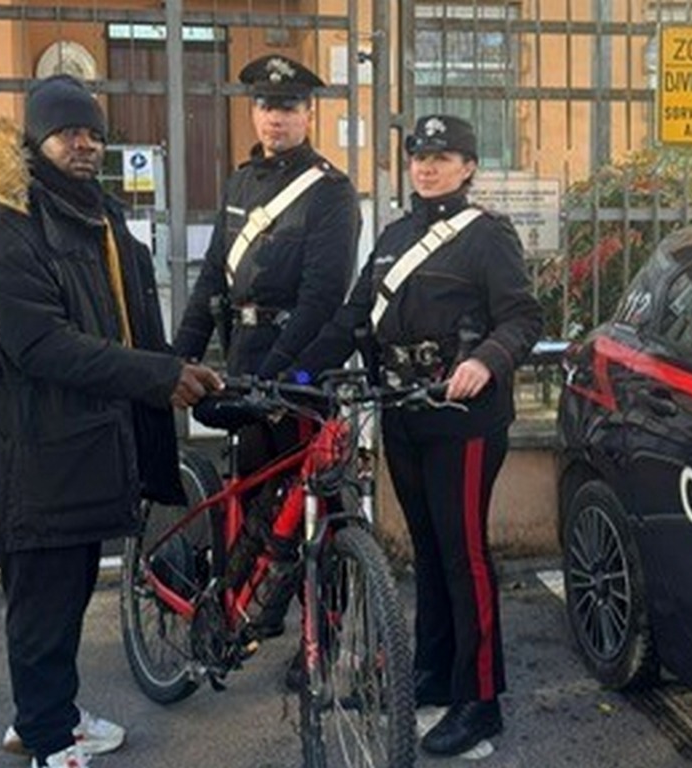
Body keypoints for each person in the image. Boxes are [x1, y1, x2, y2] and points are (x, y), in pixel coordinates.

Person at [0, 74, 221, 768]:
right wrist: (159, 377)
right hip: (30, 454)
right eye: (69, 131)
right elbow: (41, 345)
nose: (85, 143)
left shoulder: (97, 219)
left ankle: (42, 719)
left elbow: (130, 324)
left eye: (95, 132)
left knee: (66, 596)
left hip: (78, 449)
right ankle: (50, 743)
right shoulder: (2, 226)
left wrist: (180, 366)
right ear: (36, 141)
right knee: (42, 605)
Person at [293, 115, 543, 757]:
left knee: (465, 557)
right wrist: (292, 373)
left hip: (463, 418)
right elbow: (354, 317)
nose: (428, 167)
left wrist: (485, 360)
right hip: (401, 411)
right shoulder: (394, 236)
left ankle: (480, 700)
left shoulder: (488, 236)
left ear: (468, 167)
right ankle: (433, 674)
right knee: (428, 552)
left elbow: (522, 316)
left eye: (444, 157)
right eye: (420, 158)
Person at [171, 54, 361, 640]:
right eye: (264, 106)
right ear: (252, 112)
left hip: (298, 367)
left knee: (313, 510)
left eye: (287, 107)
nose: (274, 119)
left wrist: (280, 374)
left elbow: (324, 294)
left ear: (308, 113)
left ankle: (323, 640)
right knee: (249, 497)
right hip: (247, 360)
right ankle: (244, 614)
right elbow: (212, 279)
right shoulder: (239, 183)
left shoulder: (330, 191)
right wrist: (177, 358)